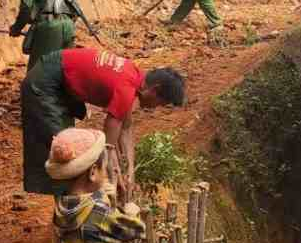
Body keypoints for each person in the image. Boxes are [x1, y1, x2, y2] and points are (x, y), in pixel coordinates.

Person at [20, 47, 185, 199]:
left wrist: (130, 171)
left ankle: (70, 201)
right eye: (161, 103)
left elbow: (126, 129)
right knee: (67, 153)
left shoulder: (133, 75)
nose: (157, 107)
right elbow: (108, 147)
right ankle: (70, 211)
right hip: (44, 83)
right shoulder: (126, 89)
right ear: (155, 90)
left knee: (70, 147)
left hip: (58, 79)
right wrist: (116, 178)